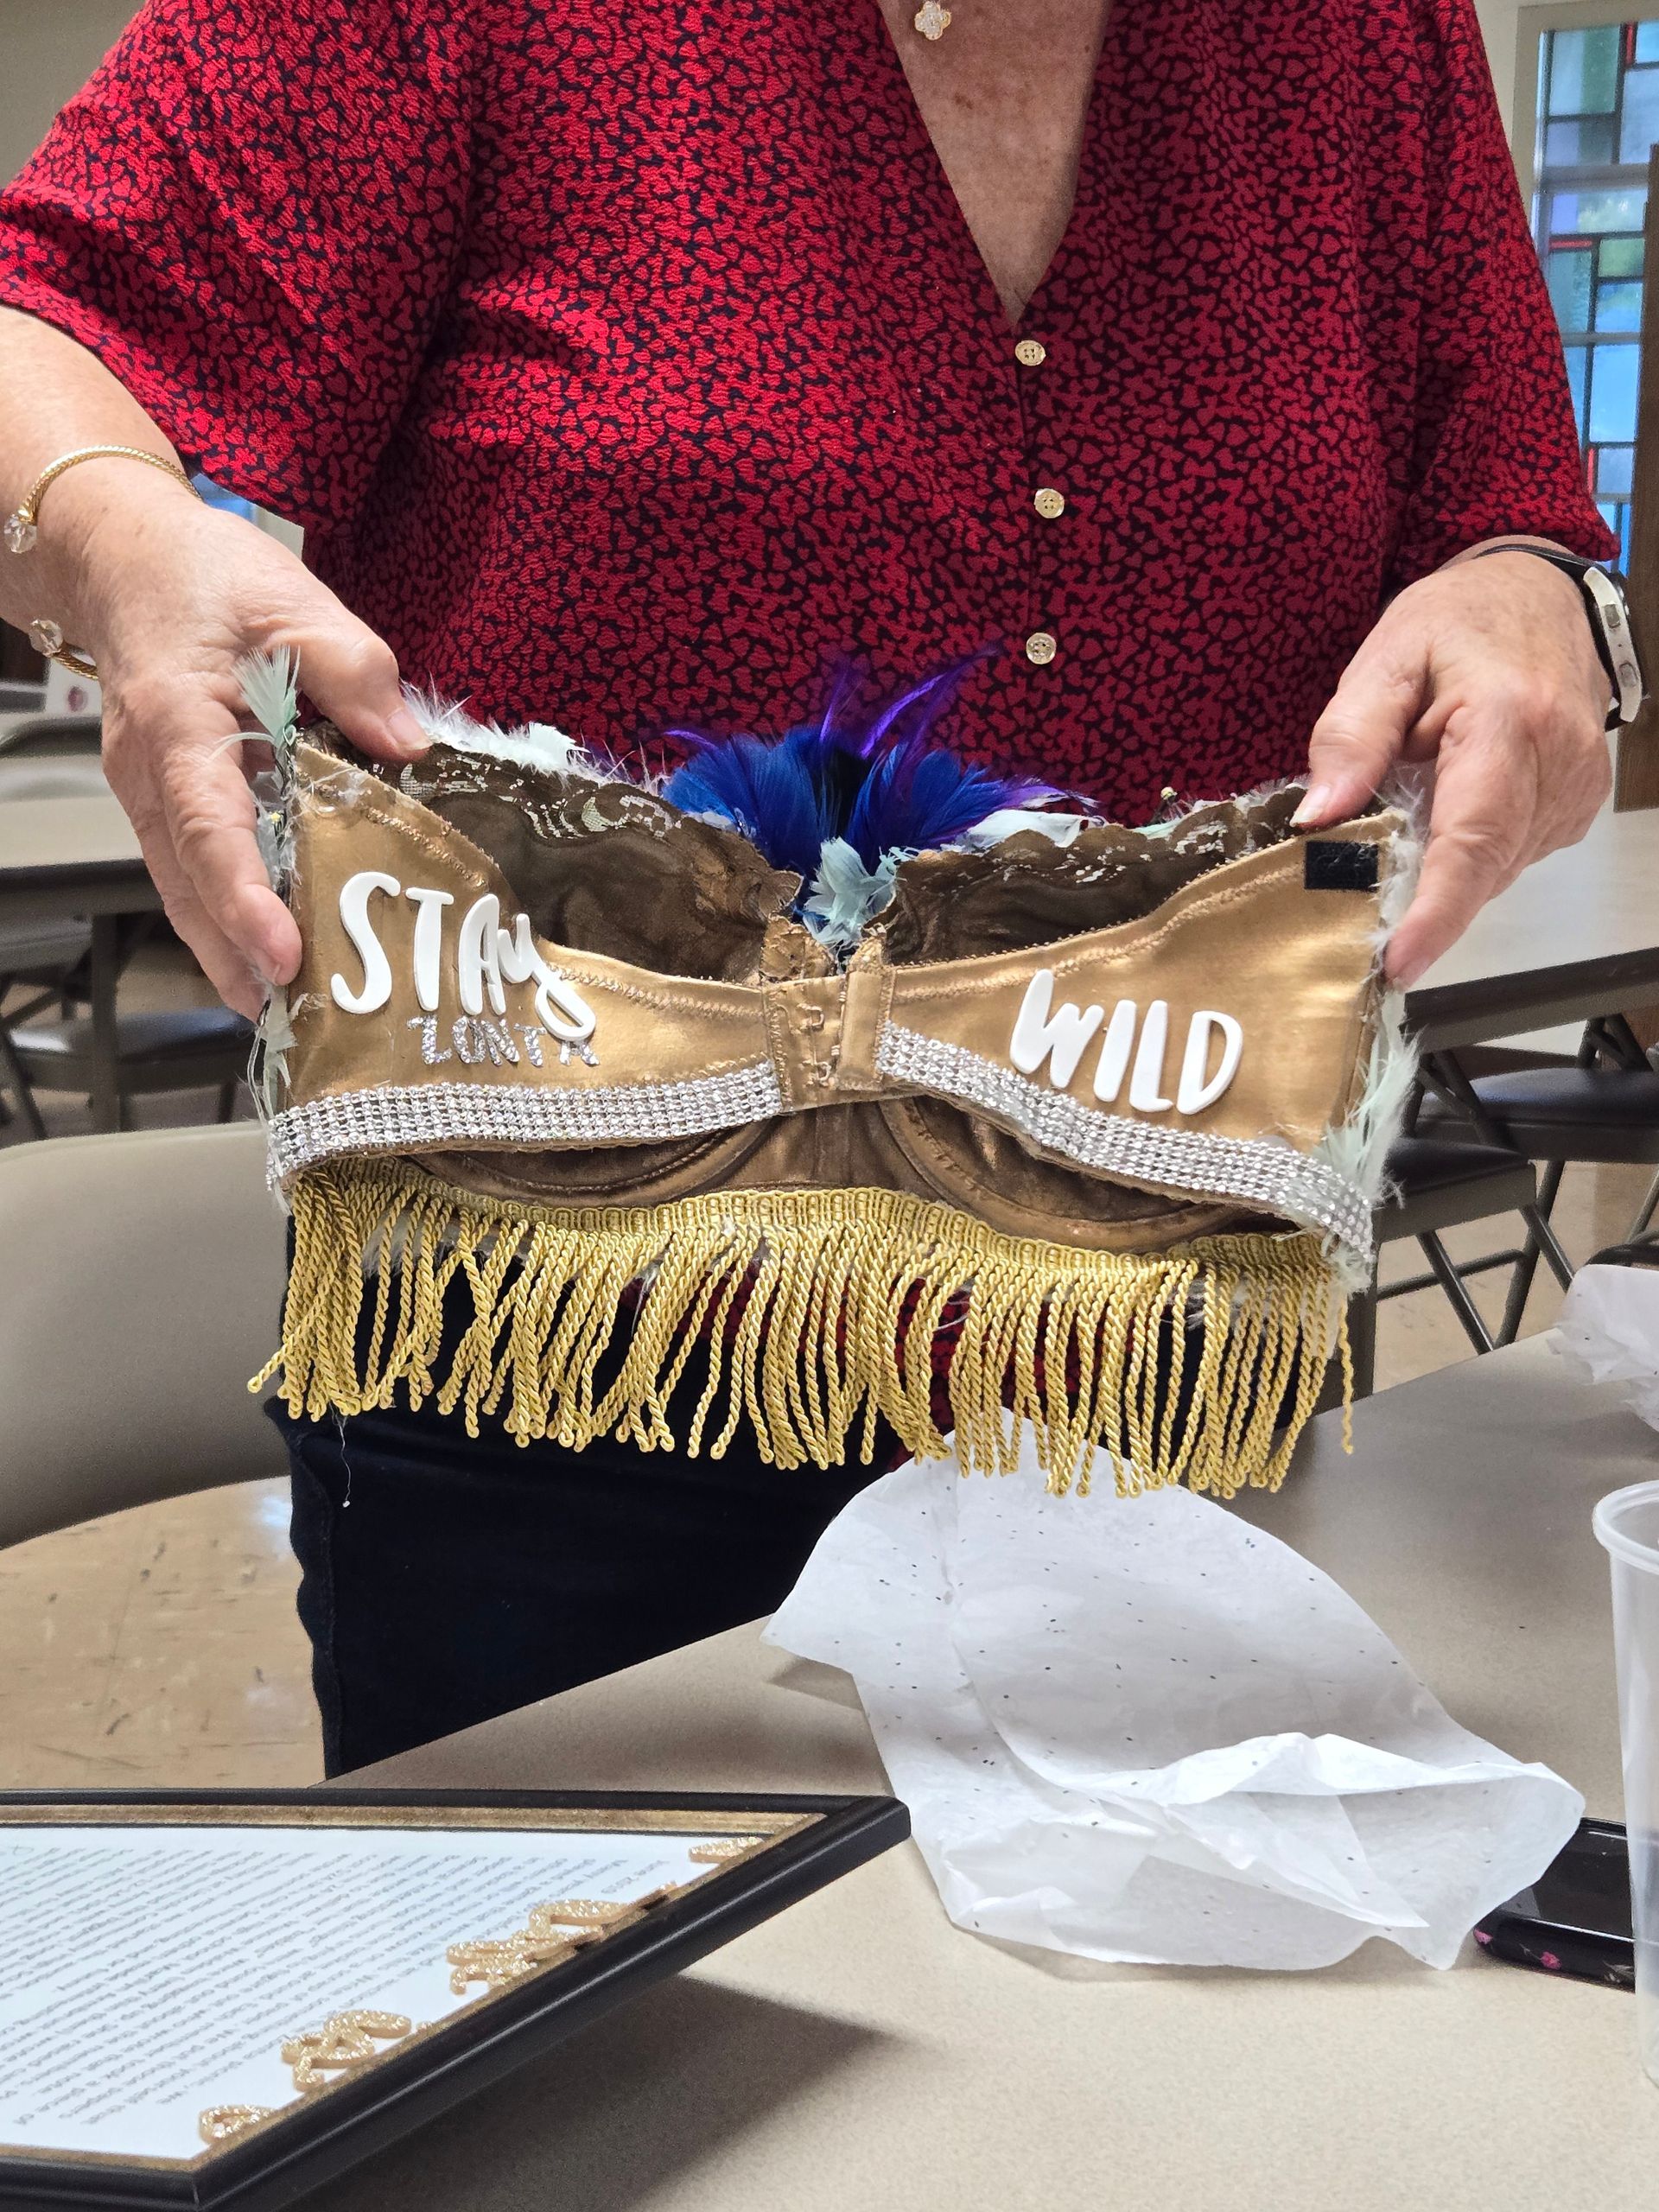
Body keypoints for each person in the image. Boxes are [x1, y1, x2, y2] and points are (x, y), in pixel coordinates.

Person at [0, 0, 1620, 1771]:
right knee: (607, 1944)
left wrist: (1532, 595)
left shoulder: (1365, 35)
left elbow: (1510, 512)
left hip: (1154, 1305)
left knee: (1172, 1935)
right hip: (557, 1343)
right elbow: (41, 323)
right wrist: (119, 533)